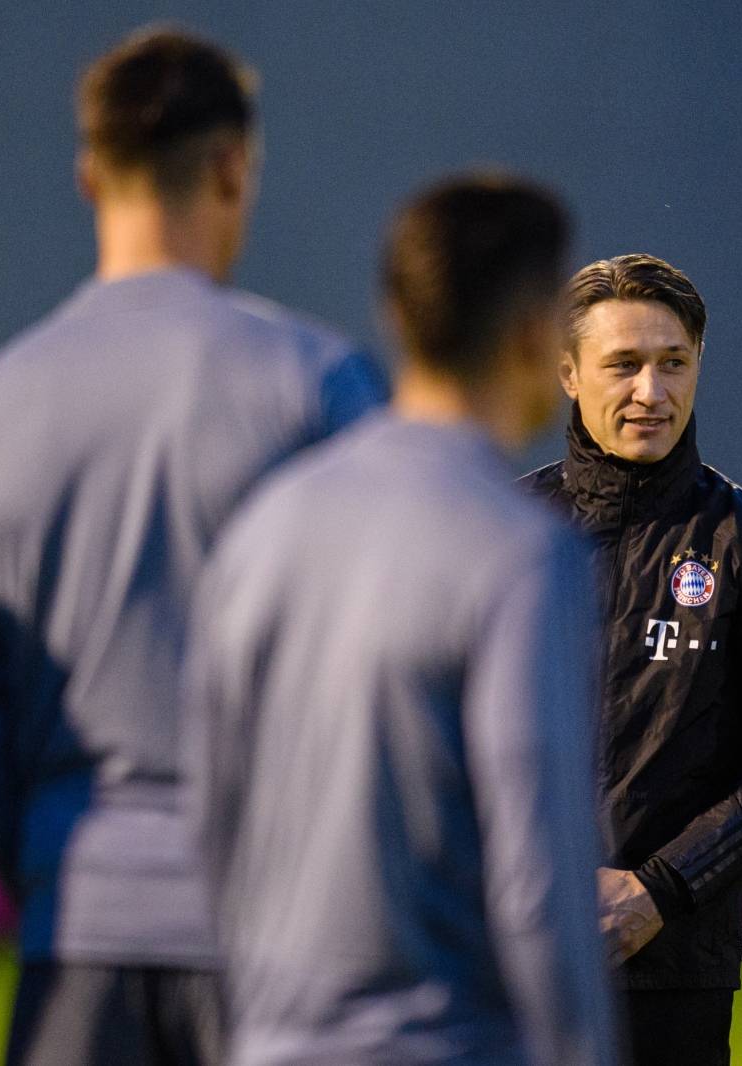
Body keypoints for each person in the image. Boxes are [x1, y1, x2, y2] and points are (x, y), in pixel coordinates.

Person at [0, 27, 387, 1066]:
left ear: (89, 174)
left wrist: (56, 864)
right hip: (284, 951)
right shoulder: (317, 389)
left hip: (77, 938)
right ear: (230, 166)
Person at [186, 173, 616, 1066]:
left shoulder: (266, 525)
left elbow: (211, 816)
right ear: (538, 334)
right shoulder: (523, 554)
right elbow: (539, 877)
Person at [520, 253, 742, 1066]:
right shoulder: (499, 532)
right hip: (510, 955)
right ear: (566, 371)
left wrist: (659, 890)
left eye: (673, 364)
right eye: (623, 365)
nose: (651, 394)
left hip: (672, 970)